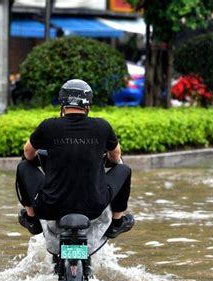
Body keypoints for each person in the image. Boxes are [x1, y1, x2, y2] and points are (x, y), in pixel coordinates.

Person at [16, 79, 134, 238]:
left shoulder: (48, 126)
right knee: (124, 170)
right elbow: (116, 156)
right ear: (88, 104)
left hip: (50, 207)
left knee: (23, 166)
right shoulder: (102, 126)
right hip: (94, 207)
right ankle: (117, 223)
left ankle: (32, 220)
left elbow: (28, 153)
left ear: (62, 103)